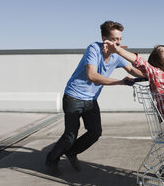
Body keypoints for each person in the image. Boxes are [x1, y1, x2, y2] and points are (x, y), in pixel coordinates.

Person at [45, 21, 144, 174]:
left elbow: (131, 68)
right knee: (70, 135)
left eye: (120, 39)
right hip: (73, 96)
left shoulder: (116, 54)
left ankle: (71, 152)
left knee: (95, 132)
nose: (118, 43)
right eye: (114, 39)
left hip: (91, 99)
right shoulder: (94, 49)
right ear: (105, 38)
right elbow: (92, 76)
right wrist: (120, 82)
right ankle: (51, 160)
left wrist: (152, 76)